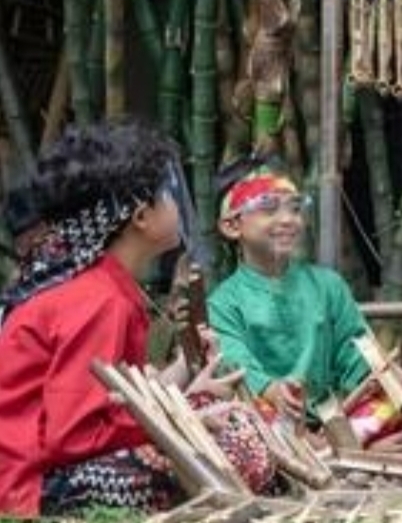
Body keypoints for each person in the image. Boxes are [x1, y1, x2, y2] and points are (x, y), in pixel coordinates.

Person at [0, 123, 261, 517]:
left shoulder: (102, 288)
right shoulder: (98, 301)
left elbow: (112, 402)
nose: (178, 204)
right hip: (33, 489)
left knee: (227, 421)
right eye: (169, 195)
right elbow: (75, 435)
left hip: (49, 469)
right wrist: (182, 416)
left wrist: (184, 379)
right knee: (238, 447)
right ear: (141, 216)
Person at [208, 157, 393, 442]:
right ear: (233, 226)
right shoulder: (223, 302)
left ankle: (331, 443)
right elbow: (235, 366)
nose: (287, 219)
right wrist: (272, 391)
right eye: (269, 208)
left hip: (332, 415)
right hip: (269, 418)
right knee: (242, 420)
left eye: (294, 208)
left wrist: (374, 378)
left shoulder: (328, 285)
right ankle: (339, 446)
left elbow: (356, 350)